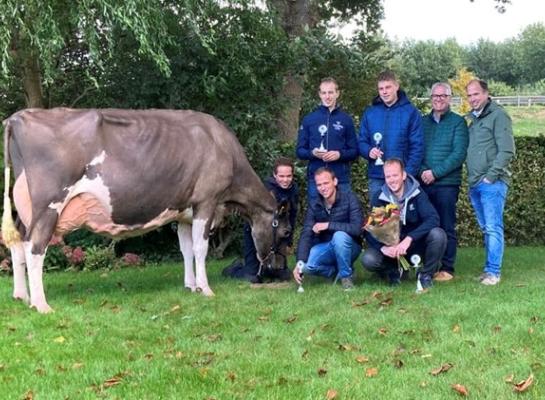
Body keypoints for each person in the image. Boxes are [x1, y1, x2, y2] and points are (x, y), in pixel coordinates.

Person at [361, 158, 447, 290]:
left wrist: (409, 239)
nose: (392, 179)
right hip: (391, 250)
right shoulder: (379, 197)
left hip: (414, 244)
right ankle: (392, 272)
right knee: (368, 259)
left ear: (404, 175)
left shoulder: (417, 193)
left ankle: (426, 275)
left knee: (438, 234)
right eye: (388, 176)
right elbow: (370, 231)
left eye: (395, 175)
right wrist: (383, 248)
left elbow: (433, 219)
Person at [466, 79, 515, 286]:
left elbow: (507, 150)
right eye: (469, 95)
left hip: (491, 183)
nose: (472, 99)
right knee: (487, 228)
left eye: (476, 94)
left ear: (486, 94)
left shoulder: (498, 115)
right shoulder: (474, 120)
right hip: (475, 183)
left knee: (493, 228)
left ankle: (494, 273)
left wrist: (491, 176)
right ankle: (488, 270)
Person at [420, 82, 469, 282]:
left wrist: (435, 173)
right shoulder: (422, 122)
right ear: (431, 98)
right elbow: (416, 149)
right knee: (425, 225)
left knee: (446, 225)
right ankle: (426, 264)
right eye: (435, 96)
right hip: (423, 182)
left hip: (447, 184)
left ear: (450, 98)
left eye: (443, 95)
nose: (439, 99)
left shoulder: (458, 122)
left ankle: (447, 268)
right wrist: (423, 171)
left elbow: (458, 154)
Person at [222, 157, 299, 283]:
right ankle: (234, 269)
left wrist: (289, 241)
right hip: (257, 234)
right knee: (253, 277)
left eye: (289, 176)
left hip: (278, 235)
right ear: (275, 175)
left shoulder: (293, 190)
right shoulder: (265, 189)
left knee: (283, 275)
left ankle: (269, 268)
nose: (285, 180)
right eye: (281, 176)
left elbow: (292, 215)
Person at [293, 167, 363, 291]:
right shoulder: (314, 204)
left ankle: (346, 278)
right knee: (306, 266)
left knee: (339, 236)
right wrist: (299, 262)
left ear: (335, 181)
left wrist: (328, 225)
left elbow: (357, 229)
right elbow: (306, 233)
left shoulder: (350, 198)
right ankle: (335, 271)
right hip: (327, 246)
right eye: (319, 184)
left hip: (350, 246)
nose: (323, 187)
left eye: (326, 183)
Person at [358, 70, 424, 202]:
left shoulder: (410, 112)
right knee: (378, 219)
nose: (384, 92)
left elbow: (417, 146)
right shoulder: (370, 113)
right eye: (381, 88)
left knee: (404, 219)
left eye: (388, 87)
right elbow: (361, 141)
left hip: (401, 178)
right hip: (377, 175)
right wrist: (368, 151)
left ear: (396, 86)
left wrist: (408, 173)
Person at [296, 77, 358, 202]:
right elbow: (299, 151)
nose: (327, 96)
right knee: (317, 217)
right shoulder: (309, 119)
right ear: (319, 94)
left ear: (337, 93)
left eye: (330, 92)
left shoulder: (346, 120)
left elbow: (355, 151)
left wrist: (339, 155)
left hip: (341, 179)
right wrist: (312, 153)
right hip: (316, 180)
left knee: (342, 217)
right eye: (324, 93)